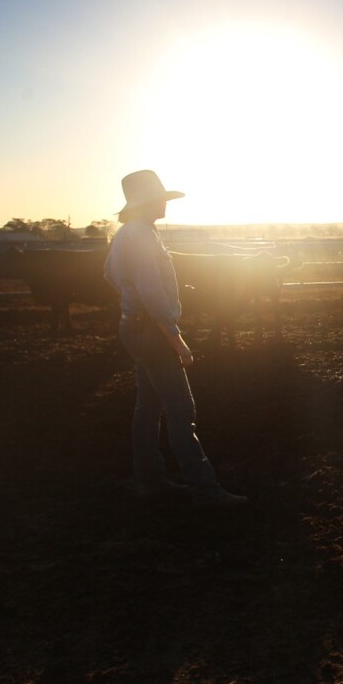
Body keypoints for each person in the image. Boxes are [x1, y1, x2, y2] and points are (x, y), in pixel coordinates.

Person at [104, 169, 248, 507]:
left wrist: (129, 299)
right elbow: (152, 291)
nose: (164, 204)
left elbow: (108, 273)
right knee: (182, 409)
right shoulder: (141, 235)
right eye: (160, 199)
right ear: (149, 203)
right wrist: (175, 337)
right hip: (151, 330)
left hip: (135, 327)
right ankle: (205, 489)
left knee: (149, 407)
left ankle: (150, 480)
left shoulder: (127, 233)